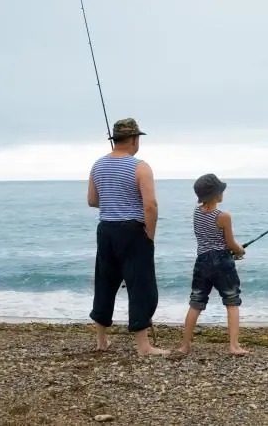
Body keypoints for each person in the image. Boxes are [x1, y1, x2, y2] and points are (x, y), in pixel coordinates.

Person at [87, 117, 169, 356]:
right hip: (132, 231)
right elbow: (150, 205)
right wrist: (149, 236)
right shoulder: (140, 166)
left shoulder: (97, 165)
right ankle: (143, 346)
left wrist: (113, 199)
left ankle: (102, 341)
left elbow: (92, 201)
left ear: (115, 140)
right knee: (140, 285)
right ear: (134, 139)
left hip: (106, 231)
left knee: (105, 282)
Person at [179, 173, 251, 355]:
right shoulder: (223, 216)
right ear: (215, 194)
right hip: (221, 262)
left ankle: (184, 346)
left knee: (196, 302)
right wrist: (240, 251)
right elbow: (230, 244)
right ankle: (234, 346)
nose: (223, 193)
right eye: (221, 190)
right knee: (232, 302)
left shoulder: (196, 212)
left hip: (202, 260)